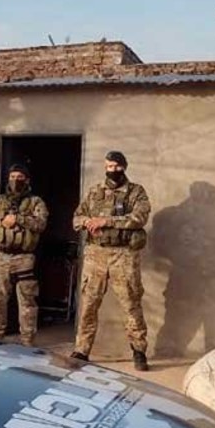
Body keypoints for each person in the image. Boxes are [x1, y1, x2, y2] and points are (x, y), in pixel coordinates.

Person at [71, 150, 152, 370]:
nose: (112, 170)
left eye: (116, 166)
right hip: (95, 254)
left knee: (131, 303)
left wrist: (106, 221)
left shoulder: (136, 192)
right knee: (88, 304)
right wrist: (88, 221)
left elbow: (139, 218)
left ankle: (139, 351)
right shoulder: (94, 191)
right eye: (109, 166)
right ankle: (81, 350)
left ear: (124, 166)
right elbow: (77, 218)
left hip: (123, 255)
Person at [0, 162, 49, 346]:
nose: (15, 181)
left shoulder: (35, 202)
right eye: (12, 177)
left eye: (19, 177)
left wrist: (19, 219)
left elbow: (41, 224)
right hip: (0, 256)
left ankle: (27, 340)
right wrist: (1, 221)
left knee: (27, 300)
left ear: (27, 180)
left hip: (24, 258)